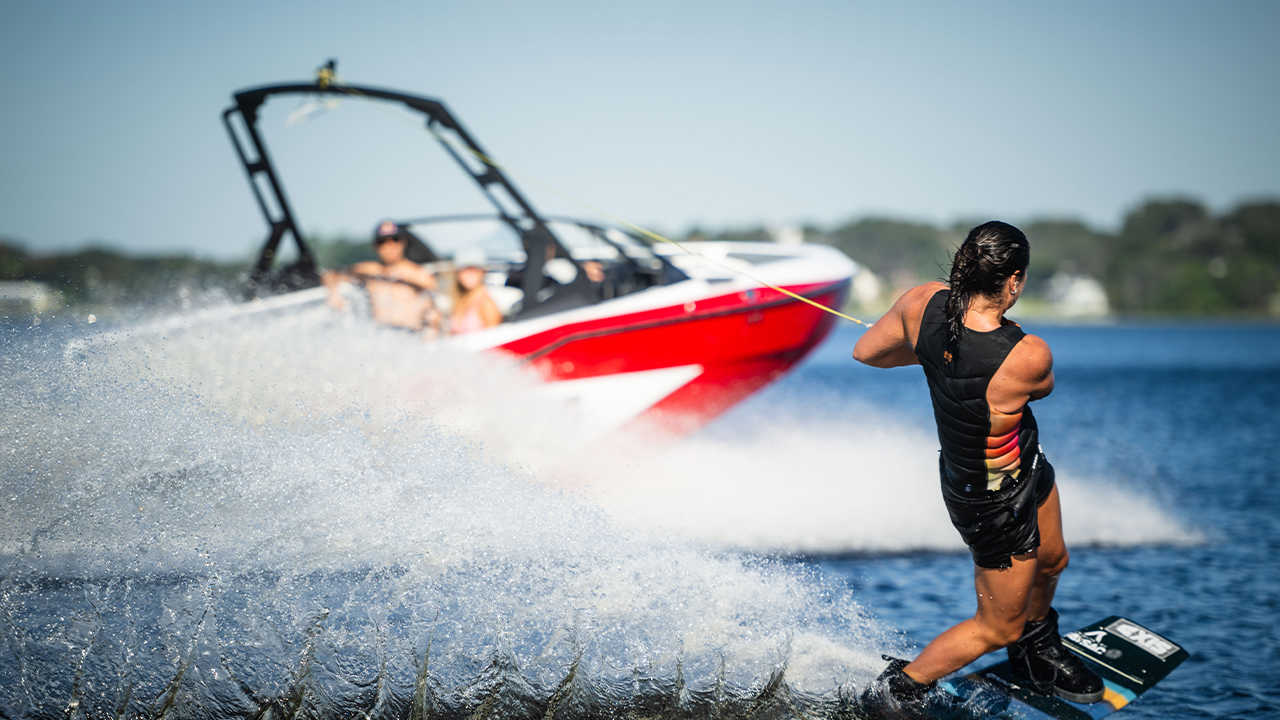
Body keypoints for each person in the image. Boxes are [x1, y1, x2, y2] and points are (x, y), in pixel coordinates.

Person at [851, 221, 1103, 716]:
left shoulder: (922, 302)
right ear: (1014, 280)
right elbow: (1043, 389)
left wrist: (935, 356)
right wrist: (946, 358)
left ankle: (1037, 649)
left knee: (1053, 560)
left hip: (1025, 467)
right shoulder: (1028, 354)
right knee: (996, 627)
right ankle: (896, 692)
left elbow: (867, 352)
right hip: (990, 502)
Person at [322, 221, 441, 336]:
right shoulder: (371, 270)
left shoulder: (419, 274)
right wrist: (334, 294)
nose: (390, 245)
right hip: (379, 335)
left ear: (403, 242)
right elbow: (331, 274)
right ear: (376, 246)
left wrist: (432, 332)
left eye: (395, 239)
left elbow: (438, 307)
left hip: (410, 335)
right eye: (382, 241)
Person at [448, 247, 502, 334]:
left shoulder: (486, 304)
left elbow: (495, 338)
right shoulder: (459, 300)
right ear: (458, 273)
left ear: (483, 272)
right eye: (465, 269)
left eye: (475, 269)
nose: (470, 273)